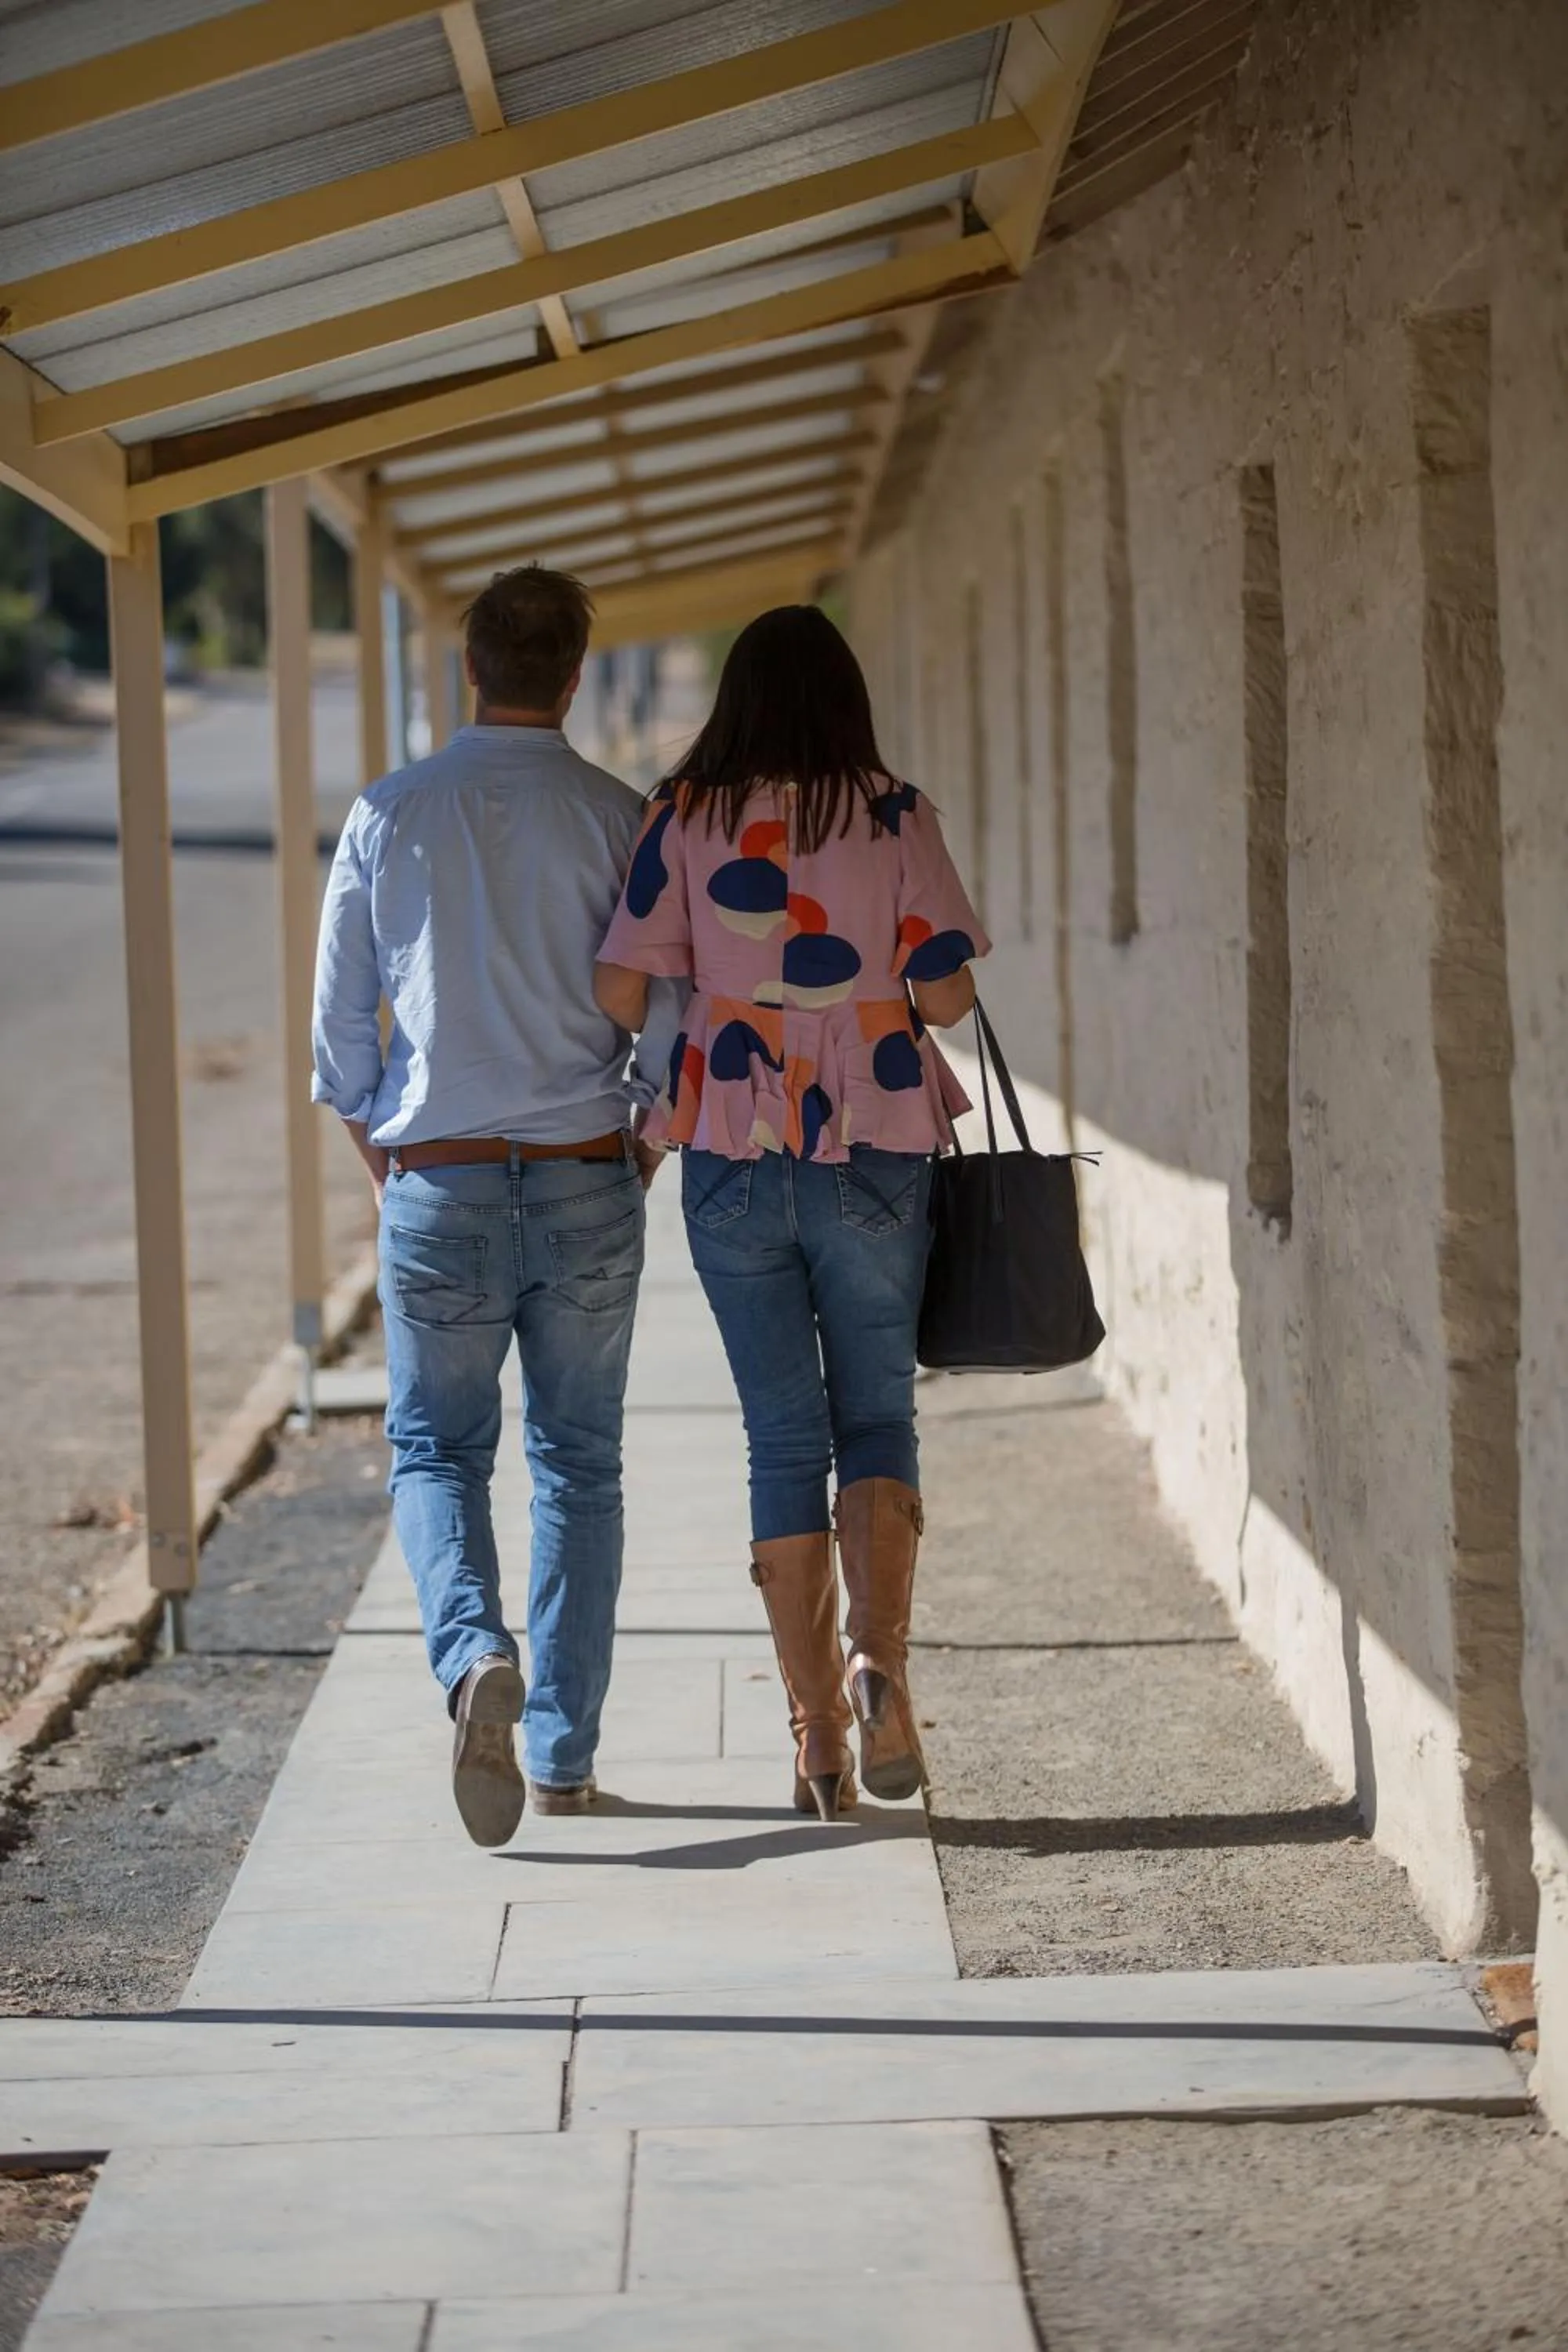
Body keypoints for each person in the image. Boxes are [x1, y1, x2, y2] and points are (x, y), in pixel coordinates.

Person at [595, 604, 989, 1822]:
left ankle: (818, 1740)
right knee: (877, 1411)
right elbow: (954, 997)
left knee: (781, 1433)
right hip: (875, 1142)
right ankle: (880, 1668)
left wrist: (719, 978)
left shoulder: (686, 812)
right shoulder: (894, 810)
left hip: (731, 1145)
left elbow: (620, 988)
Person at [311, 566, 681, 1847]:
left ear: (471, 667)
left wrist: (397, 1172)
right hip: (586, 1171)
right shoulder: (623, 820)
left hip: (440, 1176)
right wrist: (639, 1151)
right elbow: (677, 1030)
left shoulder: (387, 812)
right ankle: (564, 1755)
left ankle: (473, 1661)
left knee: (435, 1453)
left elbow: (337, 1045)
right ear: (576, 677)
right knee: (580, 1464)